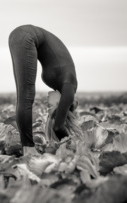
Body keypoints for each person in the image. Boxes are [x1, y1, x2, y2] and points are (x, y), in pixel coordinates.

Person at [8, 24, 78, 155]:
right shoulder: (69, 88)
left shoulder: (61, 85)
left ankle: (27, 148)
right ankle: (29, 149)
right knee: (26, 98)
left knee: (23, 97)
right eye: (50, 108)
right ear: (60, 104)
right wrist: (72, 148)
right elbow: (58, 127)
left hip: (19, 36)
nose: (47, 106)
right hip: (27, 36)